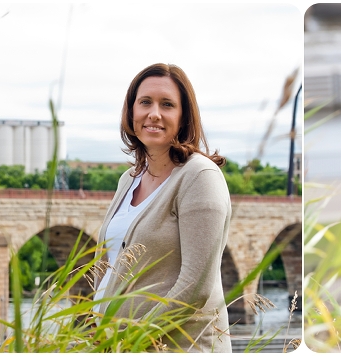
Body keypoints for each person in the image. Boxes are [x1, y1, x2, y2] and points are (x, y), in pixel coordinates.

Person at [91, 63, 232, 352]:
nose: (154, 113)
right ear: (131, 111)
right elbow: (108, 261)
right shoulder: (128, 179)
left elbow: (196, 287)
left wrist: (136, 338)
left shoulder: (199, 177)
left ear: (183, 117)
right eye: (145, 102)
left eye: (167, 104)